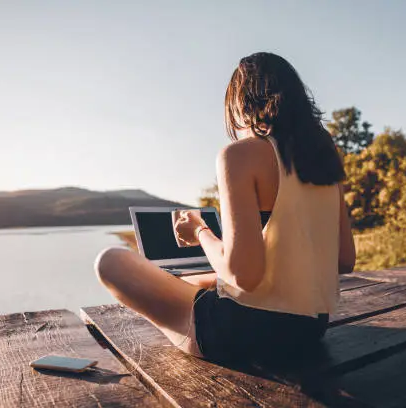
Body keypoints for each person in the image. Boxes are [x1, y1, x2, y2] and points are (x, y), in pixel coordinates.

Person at [95, 52, 356, 364]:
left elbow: (243, 275)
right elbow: (344, 259)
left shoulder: (240, 155)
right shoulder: (324, 155)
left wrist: (200, 231)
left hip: (240, 333)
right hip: (310, 328)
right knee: (196, 282)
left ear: (241, 105)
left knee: (110, 261)